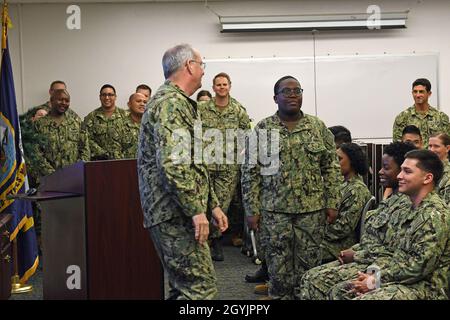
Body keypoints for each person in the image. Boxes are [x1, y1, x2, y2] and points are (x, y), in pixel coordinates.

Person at [137, 43, 228, 300]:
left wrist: (212, 205)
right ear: (189, 66)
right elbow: (173, 165)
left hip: (179, 210)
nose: (203, 72)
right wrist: (195, 210)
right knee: (200, 290)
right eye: (201, 65)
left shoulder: (180, 103)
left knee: (184, 289)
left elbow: (194, 164)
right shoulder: (170, 104)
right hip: (174, 212)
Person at [241, 75, 341, 300]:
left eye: (298, 90)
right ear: (275, 98)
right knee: (278, 269)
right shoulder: (262, 129)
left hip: (311, 212)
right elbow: (250, 171)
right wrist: (251, 210)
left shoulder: (317, 127)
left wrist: (333, 202)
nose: (293, 95)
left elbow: (331, 168)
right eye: (286, 91)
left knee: (309, 269)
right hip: (274, 212)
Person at [298, 142, 417, 300]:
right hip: (364, 254)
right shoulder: (390, 200)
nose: (379, 171)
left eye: (386, 168)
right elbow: (372, 239)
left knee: (317, 279)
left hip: (376, 261)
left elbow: (390, 251)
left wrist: (356, 255)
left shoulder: (406, 204)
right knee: (309, 275)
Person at [329, 149, 449, 300]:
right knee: (341, 291)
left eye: (407, 171)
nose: (399, 176)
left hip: (424, 287)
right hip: (400, 278)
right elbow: (393, 254)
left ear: (427, 178)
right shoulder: (409, 208)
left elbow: (418, 267)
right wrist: (371, 275)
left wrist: (375, 280)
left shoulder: (433, 215)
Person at [198, 72, 251, 261]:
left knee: (221, 205)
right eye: (218, 85)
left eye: (224, 84)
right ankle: (204, 243)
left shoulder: (238, 110)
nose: (221, 87)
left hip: (228, 168)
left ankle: (216, 241)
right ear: (213, 88)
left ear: (230, 86)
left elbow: (247, 135)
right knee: (203, 203)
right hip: (206, 165)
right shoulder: (202, 109)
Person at [321, 143, 372, 263]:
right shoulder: (342, 185)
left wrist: (315, 233)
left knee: (301, 251)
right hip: (329, 240)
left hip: (339, 245)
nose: (334, 163)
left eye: (339, 159)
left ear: (353, 161)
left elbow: (343, 228)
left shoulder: (357, 189)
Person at [33, 89, 90, 177]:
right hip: (48, 178)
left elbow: (85, 149)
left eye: (67, 101)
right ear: (51, 101)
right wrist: (52, 174)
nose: (63, 103)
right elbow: (35, 153)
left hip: (74, 176)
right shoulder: (39, 124)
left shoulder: (76, 122)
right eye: (60, 100)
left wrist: (77, 169)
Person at [393, 78, 450, 148]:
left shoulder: (441, 117)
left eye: (421, 92)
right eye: (415, 91)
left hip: (433, 158)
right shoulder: (402, 117)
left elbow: (446, 145)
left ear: (429, 94)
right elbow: (397, 146)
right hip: (412, 157)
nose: (417, 95)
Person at [83, 84, 129, 160]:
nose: (107, 98)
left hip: (122, 161)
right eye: (104, 95)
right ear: (100, 97)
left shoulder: (126, 115)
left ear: (115, 97)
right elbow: (86, 139)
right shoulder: (91, 117)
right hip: (99, 162)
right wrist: (102, 153)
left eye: (110, 95)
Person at [124, 93, 147, 158]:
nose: (142, 104)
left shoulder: (151, 125)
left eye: (145, 102)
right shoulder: (119, 124)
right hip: (125, 165)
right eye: (138, 101)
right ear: (129, 104)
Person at [428, 133, 450, 204]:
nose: (432, 150)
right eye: (430, 146)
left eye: (436, 146)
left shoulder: (448, 175)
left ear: (447, 148)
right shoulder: (426, 169)